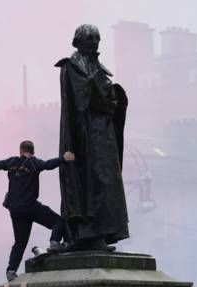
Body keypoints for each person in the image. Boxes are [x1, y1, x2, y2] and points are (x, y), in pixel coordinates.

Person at [56, 24, 130, 251]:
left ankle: (102, 233)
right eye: (90, 38)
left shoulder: (100, 68)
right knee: (89, 182)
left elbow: (111, 101)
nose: (95, 42)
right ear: (78, 40)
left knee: (106, 182)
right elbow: (83, 99)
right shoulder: (72, 66)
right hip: (84, 135)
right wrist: (105, 93)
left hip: (103, 134)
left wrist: (115, 97)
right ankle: (86, 234)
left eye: (97, 38)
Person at [0, 141, 75, 281]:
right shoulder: (34, 163)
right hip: (30, 206)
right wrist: (63, 159)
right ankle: (54, 243)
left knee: (20, 243)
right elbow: (48, 165)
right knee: (59, 221)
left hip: (15, 210)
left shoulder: (12, 162)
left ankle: (11, 270)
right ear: (33, 152)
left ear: (20, 151)